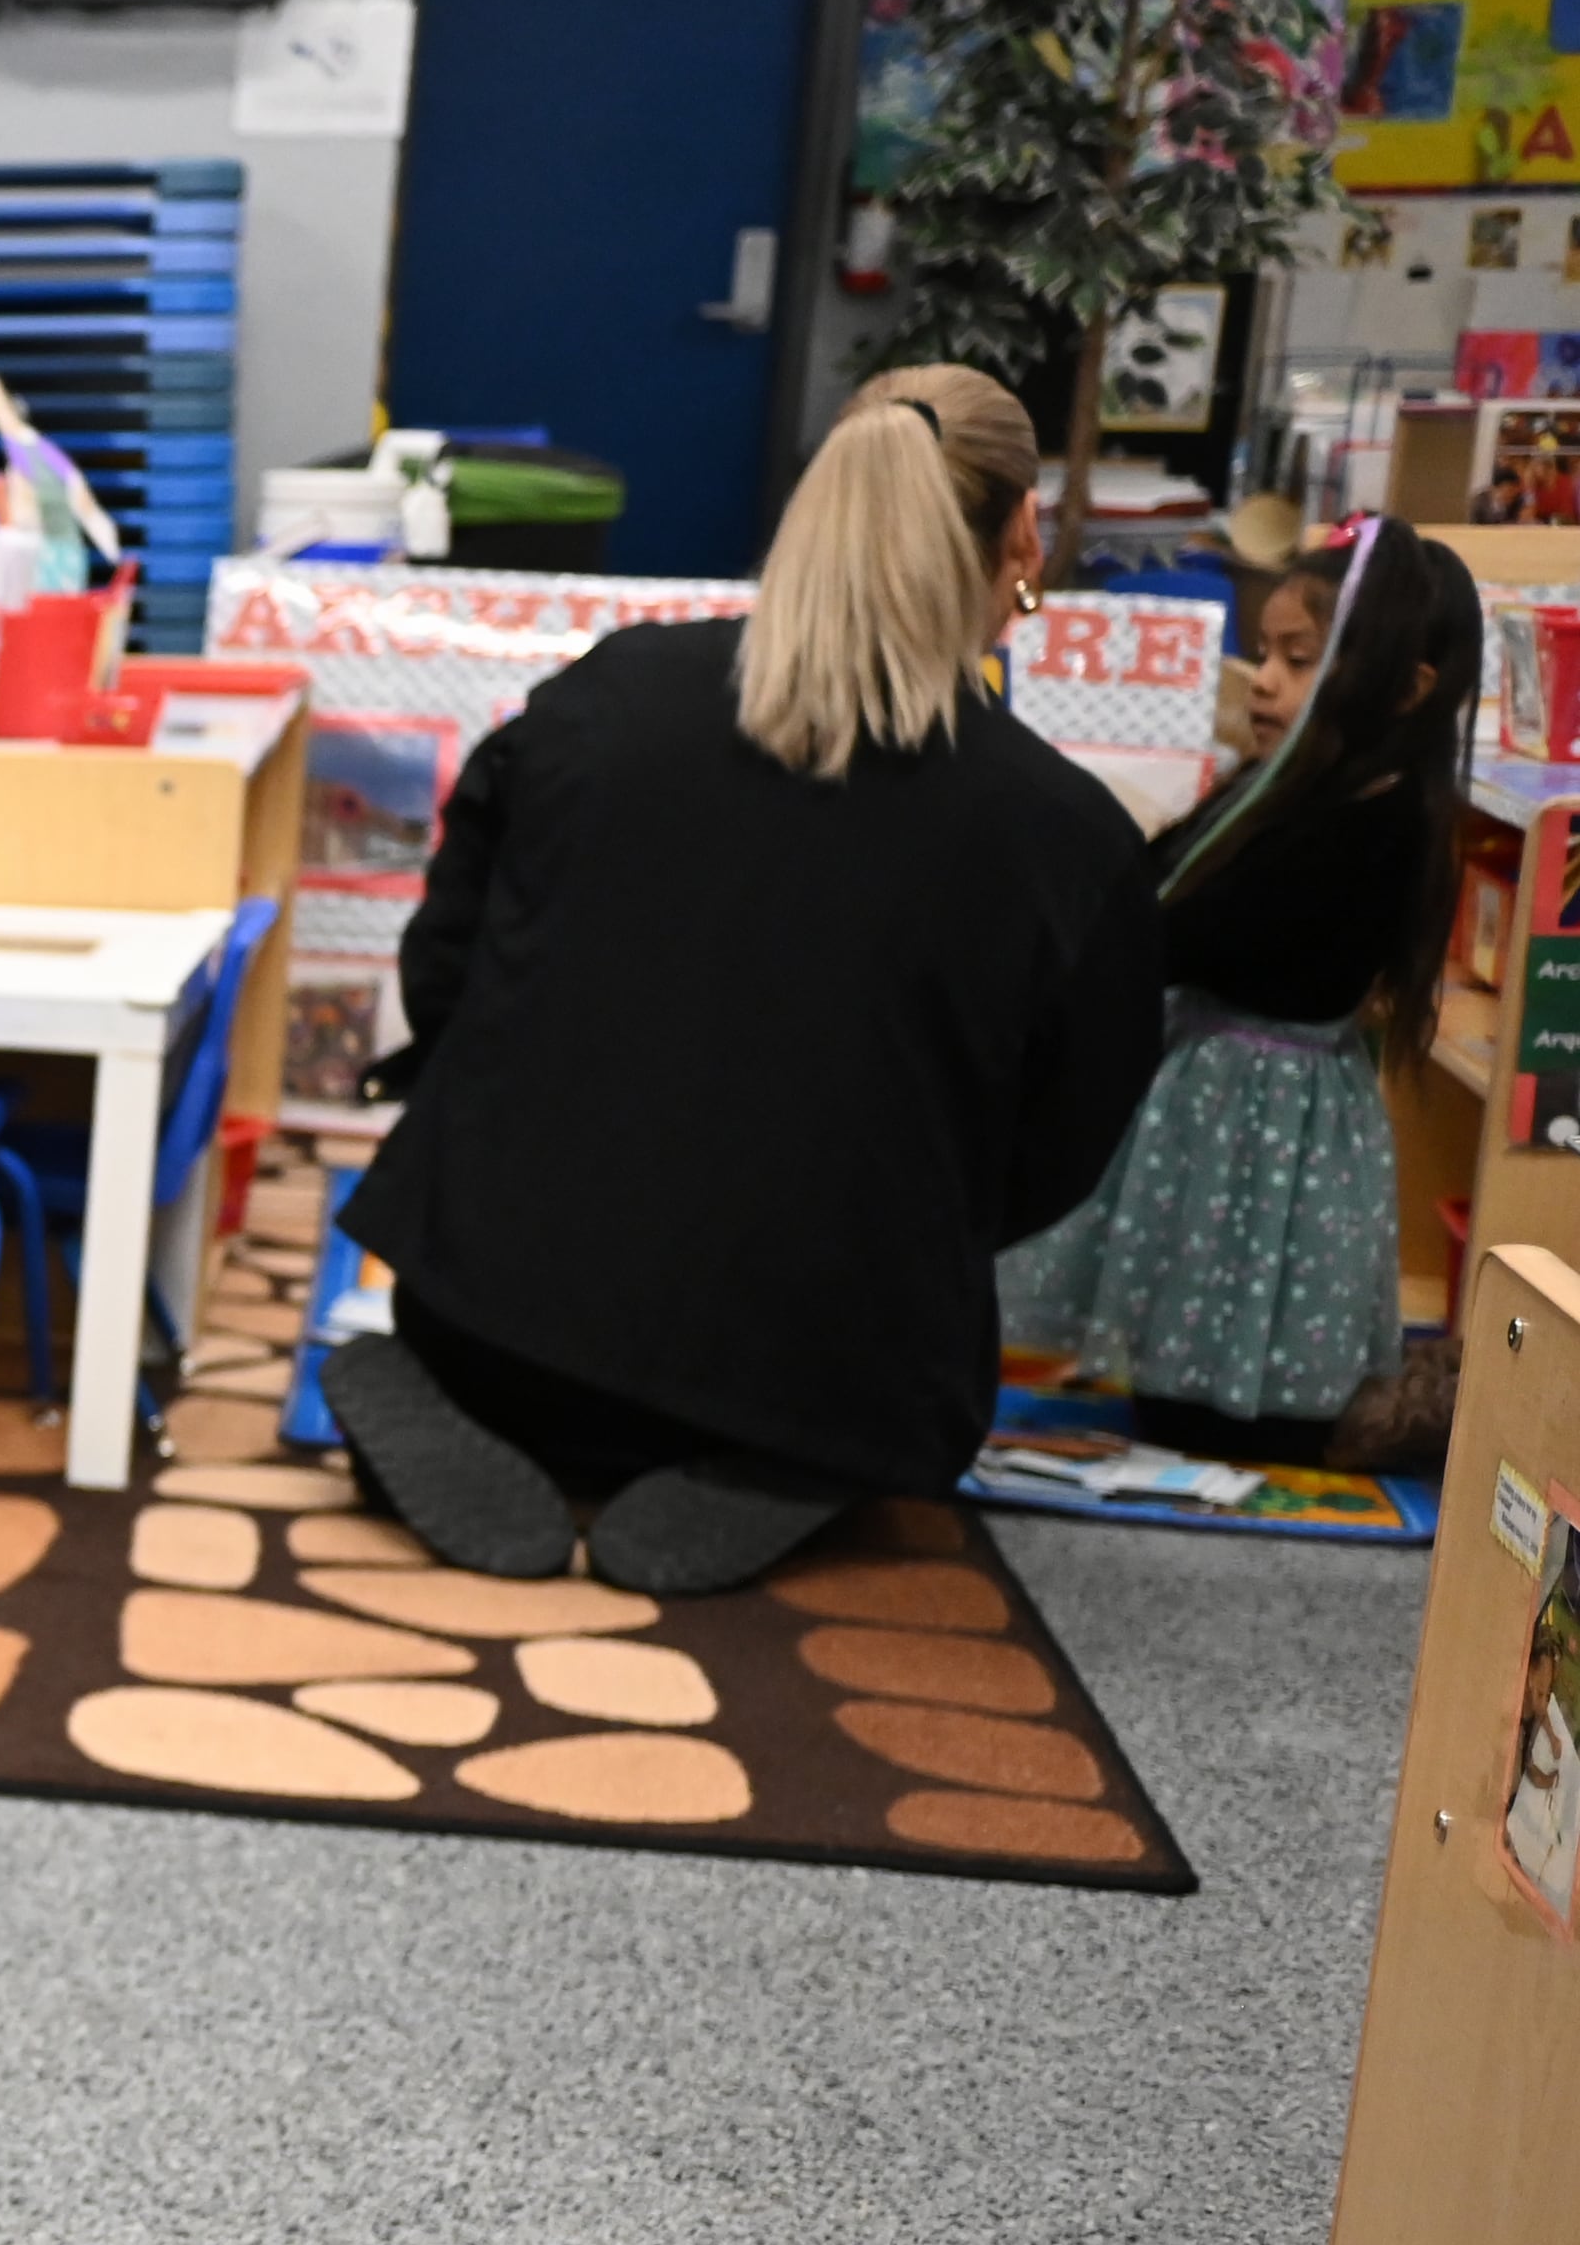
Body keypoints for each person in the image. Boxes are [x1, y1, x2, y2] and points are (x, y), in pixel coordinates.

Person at [323, 363, 1162, 1594]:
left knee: (493, 1303)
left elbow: (444, 971)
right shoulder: (1065, 837)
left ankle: (431, 1391)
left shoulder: (606, 696)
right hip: (821, 1363)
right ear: (1020, 534)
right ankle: (778, 1470)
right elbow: (1055, 1152)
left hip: (483, 1316)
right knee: (857, 1390)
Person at [998, 519, 1478, 1469]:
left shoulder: (1374, 821)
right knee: (1191, 1330)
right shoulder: (1288, 791)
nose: (1261, 680)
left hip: (1266, 1111)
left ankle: (1384, 1421)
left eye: (1297, 661)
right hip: (1221, 1091)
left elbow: (1194, 926)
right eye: (1266, 653)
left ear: (1406, 689)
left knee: (1244, 1352)